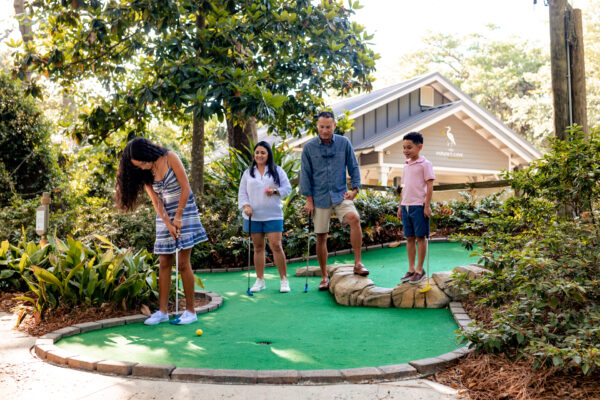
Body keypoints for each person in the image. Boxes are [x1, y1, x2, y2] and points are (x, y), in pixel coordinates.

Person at [115, 137, 208, 325]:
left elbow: (186, 188)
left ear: (147, 154)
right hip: (164, 216)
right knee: (164, 261)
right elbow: (156, 201)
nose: (141, 167)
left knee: (183, 263)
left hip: (184, 211)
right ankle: (163, 311)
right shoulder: (144, 173)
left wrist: (178, 217)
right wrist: (168, 222)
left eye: (141, 163)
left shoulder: (170, 157)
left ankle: (190, 311)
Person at [300, 111, 367, 291]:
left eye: (328, 127)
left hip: (340, 194)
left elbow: (353, 166)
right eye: (321, 127)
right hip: (319, 196)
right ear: (317, 126)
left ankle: (358, 263)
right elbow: (305, 174)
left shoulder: (344, 143)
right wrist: (308, 200)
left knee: (354, 218)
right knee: (321, 236)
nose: (324, 130)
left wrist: (355, 189)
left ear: (334, 126)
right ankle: (323, 276)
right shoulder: (309, 148)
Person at [238, 141, 293, 293]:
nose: (259, 155)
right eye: (257, 152)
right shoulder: (248, 173)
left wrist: (275, 191)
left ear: (268, 154)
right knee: (258, 248)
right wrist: (246, 206)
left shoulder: (277, 171)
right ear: (254, 155)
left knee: (276, 245)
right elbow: (242, 193)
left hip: (273, 215)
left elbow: (288, 189)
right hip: (254, 216)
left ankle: (284, 280)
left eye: (263, 152)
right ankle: (260, 280)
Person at [396, 132, 435, 284]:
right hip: (406, 206)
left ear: (420, 147)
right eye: (404, 147)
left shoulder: (425, 164)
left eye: (409, 147)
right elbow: (404, 188)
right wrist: (400, 206)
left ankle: (420, 269)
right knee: (409, 238)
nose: (406, 150)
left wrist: (427, 205)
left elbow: (430, 186)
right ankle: (411, 269)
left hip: (419, 206)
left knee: (420, 237)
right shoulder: (406, 166)